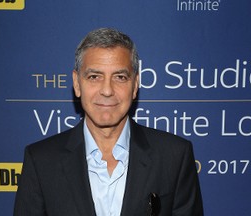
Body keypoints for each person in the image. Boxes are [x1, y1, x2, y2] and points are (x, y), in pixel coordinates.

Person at [13, 28, 204, 216]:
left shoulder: (174, 156)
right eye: (94, 77)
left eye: (120, 77)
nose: (107, 90)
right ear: (77, 83)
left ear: (135, 85)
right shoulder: (41, 161)